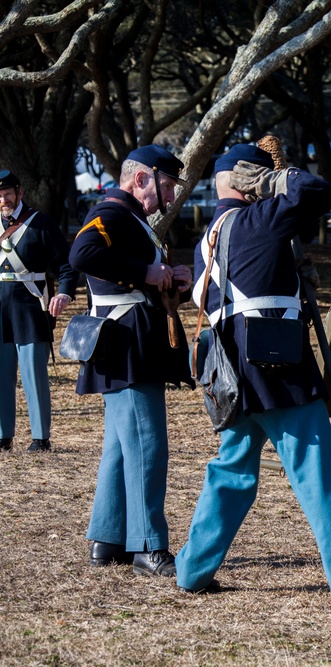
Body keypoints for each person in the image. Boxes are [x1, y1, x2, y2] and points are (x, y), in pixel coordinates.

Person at [174, 144, 331, 602]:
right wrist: (272, 180)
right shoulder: (257, 220)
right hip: (275, 369)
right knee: (317, 472)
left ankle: (192, 571)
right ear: (245, 181)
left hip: (232, 374)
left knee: (230, 475)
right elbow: (315, 191)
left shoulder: (209, 236)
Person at [69, 145, 194, 577]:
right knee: (146, 445)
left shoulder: (134, 219)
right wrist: (145, 273)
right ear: (141, 179)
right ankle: (147, 546)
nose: (172, 195)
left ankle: (109, 538)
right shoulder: (114, 212)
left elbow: (141, 277)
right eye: (167, 184)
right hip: (126, 339)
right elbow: (82, 254)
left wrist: (172, 283)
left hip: (130, 336)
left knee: (122, 448)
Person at [0, 170, 78, 452]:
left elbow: (66, 267)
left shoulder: (40, 223)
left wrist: (66, 292)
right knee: (1, 373)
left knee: (33, 372)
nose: (3, 199)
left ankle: (40, 437)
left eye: (8, 193)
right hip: (0, 310)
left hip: (31, 307)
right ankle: (2, 435)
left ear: (20, 193)